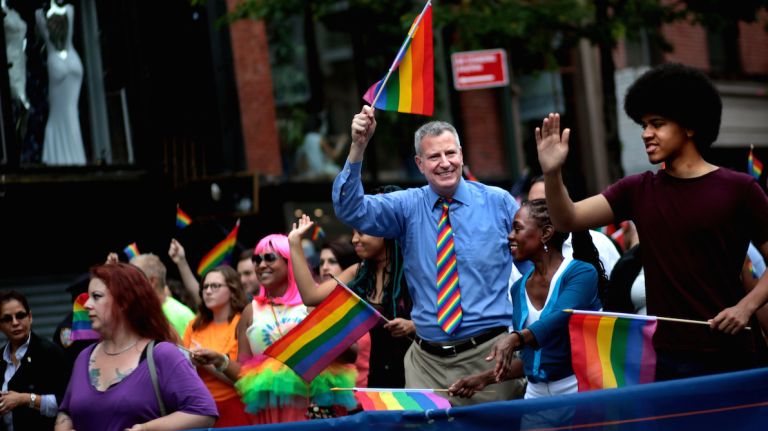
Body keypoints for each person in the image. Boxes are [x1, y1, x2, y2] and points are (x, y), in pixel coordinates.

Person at [536, 63, 768, 380]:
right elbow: (568, 217)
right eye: (643, 124)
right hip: (668, 360)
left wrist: (746, 307)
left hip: (734, 355)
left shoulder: (740, 189)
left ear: (690, 126)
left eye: (657, 124)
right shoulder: (636, 189)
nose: (646, 133)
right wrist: (552, 173)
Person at [333, 107, 523, 405]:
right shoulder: (407, 206)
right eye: (434, 157)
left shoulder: (498, 203)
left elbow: (534, 267)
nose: (445, 163)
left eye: (451, 153)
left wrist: (525, 337)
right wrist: (358, 146)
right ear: (419, 164)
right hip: (426, 364)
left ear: (462, 154)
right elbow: (350, 209)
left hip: (490, 357)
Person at [448, 199, 604, 399]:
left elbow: (560, 317)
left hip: (578, 388)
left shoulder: (580, 273)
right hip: (535, 393)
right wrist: (484, 379)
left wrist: (515, 338)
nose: (510, 236)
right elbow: (532, 361)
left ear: (546, 233)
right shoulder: (518, 288)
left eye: (517, 229)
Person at [55, 263, 217, 431]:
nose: (87, 304)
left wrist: (145, 428)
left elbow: (203, 412)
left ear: (124, 301)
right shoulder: (83, 357)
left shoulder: (162, 354)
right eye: (87, 297)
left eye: (96, 296)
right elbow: (65, 411)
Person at [289, 196, 413, 388]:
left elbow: (444, 320)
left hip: (413, 377)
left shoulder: (413, 270)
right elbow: (310, 296)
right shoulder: (358, 272)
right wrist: (295, 242)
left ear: (385, 232)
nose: (354, 239)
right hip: (375, 382)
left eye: (361, 232)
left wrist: (414, 326)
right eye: (353, 233)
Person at [234, 234, 356, 424]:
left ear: (289, 261)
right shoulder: (250, 312)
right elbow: (243, 371)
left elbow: (352, 354)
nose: (261, 265)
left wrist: (320, 337)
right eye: (257, 259)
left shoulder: (315, 303)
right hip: (270, 411)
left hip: (314, 405)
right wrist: (220, 363)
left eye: (270, 258)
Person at [182, 265, 251, 428]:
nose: (208, 291)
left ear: (232, 290)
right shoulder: (194, 325)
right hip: (198, 408)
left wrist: (208, 362)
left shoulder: (242, 323)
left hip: (234, 406)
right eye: (205, 286)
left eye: (215, 286)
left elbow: (241, 379)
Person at [0, 290, 67, 430]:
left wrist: (25, 399)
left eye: (20, 316)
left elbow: (66, 404)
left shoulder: (50, 353)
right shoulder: (1, 357)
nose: (15, 323)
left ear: (30, 317)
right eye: (7, 319)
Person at [528, 175, 621, 276]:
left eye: (541, 204)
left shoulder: (599, 242)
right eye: (529, 204)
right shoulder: (523, 251)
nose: (532, 212)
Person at [315, 238, 372, 387]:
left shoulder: (363, 305)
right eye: (321, 263)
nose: (325, 268)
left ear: (347, 266)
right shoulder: (311, 307)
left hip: (363, 398)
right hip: (324, 398)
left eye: (332, 262)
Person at [35, 0, 86, 165]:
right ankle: (71, 157)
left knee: (67, 112)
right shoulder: (41, 15)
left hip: (60, 63)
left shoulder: (67, 10)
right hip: (69, 62)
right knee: (66, 113)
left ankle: (66, 157)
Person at [131, 253, 196, 339]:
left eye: (133, 278)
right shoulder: (134, 313)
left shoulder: (181, 315)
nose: (127, 283)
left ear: (152, 281)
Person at [3, 0, 29, 110]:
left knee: (22, 102)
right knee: (17, 99)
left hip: (20, 58)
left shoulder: (13, 11)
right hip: (10, 58)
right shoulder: (3, 12)